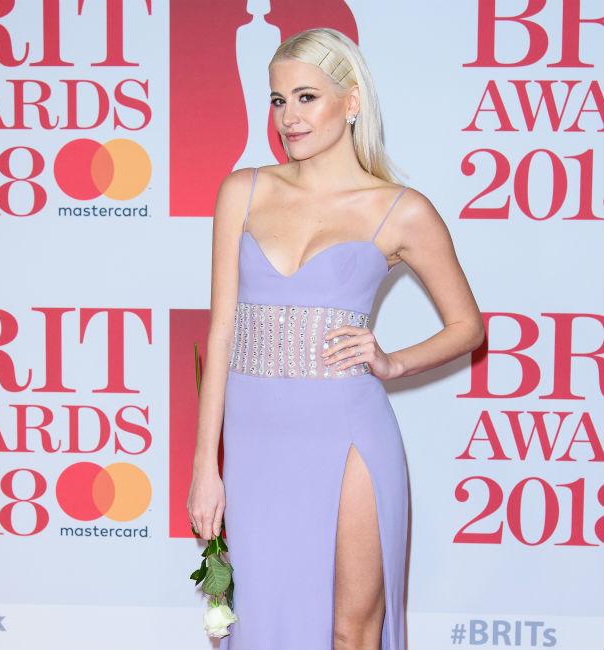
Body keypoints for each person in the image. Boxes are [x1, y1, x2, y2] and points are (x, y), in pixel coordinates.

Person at [187, 27, 484, 650]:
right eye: (278, 100)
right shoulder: (243, 191)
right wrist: (204, 468)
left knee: (353, 630)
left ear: (351, 102)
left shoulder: (400, 209)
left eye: (306, 97)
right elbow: (221, 333)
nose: (288, 118)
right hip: (255, 441)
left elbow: (468, 326)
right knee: (261, 621)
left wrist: (393, 362)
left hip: (349, 431)